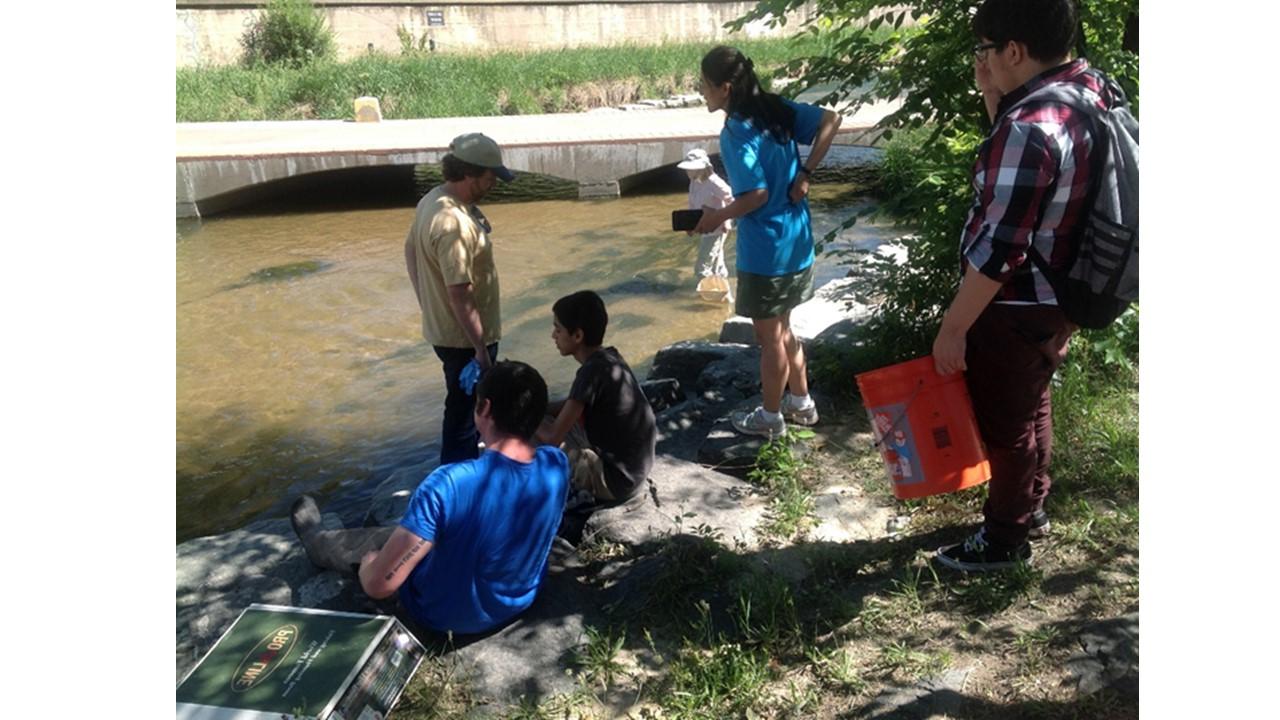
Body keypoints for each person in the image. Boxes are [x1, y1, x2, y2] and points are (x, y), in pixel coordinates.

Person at [932, 0, 1130, 572]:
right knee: (1030, 401)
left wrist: (954, 327)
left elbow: (1000, 249)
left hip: (1012, 300)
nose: (981, 62)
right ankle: (1031, 505)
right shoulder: (1089, 88)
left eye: (984, 51)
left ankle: (1004, 538)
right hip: (1063, 288)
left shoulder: (1027, 128)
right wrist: (995, 99)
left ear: (1012, 50)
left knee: (1004, 420)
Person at [290, 361, 570, 635]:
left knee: (380, 543)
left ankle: (316, 542)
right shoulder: (556, 463)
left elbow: (380, 585)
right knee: (423, 532)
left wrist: (368, 568)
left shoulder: (449, 484)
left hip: (445, 616)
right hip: (520, 600)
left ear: (484, 408)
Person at [693, 45, 843, 438]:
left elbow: (755, 194)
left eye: (705, 85)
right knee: (784, 326)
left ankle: (770, 417)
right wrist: (806, 172)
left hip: (767, 253)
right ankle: (802, 403)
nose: (702, 92)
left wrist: (715, 218)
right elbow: (832, 120)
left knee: (769, 338)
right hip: (797, 241)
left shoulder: (736, 131)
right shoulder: (775, 109)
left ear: (724, 88)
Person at [405, 132, 514, 465]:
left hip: (447, 332)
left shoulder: (433, 200)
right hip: (465, 340)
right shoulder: (453, 224)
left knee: (463, 406)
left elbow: (409, 251)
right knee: (466, 414)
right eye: (489, 176)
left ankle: (463, 471)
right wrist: (480, 349)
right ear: (469, 174)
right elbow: (460, 292)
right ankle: (458, 480)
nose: (495, 182)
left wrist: (427, 303)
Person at [536, 290, 656, 507]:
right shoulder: (609, 358)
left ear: (578, 336)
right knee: (544, 419)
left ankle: (536, 502)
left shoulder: (589, 373)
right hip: (634, 472)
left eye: (558, 329)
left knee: (527, 433)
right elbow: (572, 405)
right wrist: (541, 407)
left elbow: (553, 437)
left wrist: (524, 414)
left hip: (615, 483)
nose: (553, 335)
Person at [676, 148, 735, 303]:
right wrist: (690, 223)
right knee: (717, 265)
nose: (688, 172)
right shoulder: (694, 182)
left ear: (701, 167)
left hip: (716, 229)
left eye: (691, 168)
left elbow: (732, 200)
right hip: (704, 228)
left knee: (702, 268)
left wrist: (725, 220)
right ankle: (726, 299)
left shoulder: (714, 182)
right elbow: (693, 203)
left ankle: (711, 298)